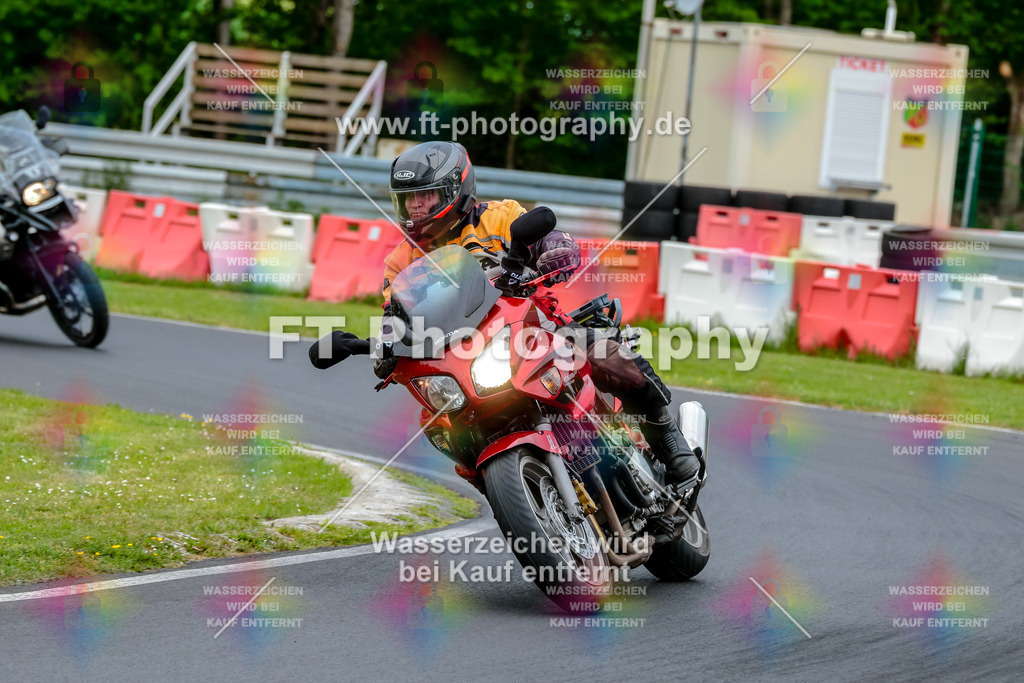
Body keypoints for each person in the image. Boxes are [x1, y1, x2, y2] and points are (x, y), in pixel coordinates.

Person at [312, 140, 699, 487]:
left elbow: (555, 241)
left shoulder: (500, 217)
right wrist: (383, 346)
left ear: (453, 189)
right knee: (443, 424)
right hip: (464, 355)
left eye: (425, 196)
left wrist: (551, 256)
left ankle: (666, 436)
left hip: (536, 328)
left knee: (599, 349)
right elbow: (394, 315)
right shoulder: (401, 261)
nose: (415, 207)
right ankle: (514, 490)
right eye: (408, 198)